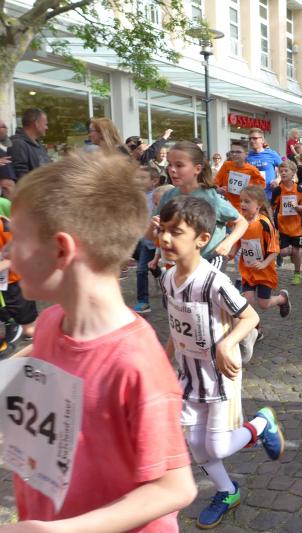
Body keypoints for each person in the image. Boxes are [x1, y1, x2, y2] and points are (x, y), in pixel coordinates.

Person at [8, 151, 197, 530]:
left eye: (16, 240)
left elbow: (175, 488)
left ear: (61, 249)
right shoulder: (51, 322)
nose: (8, 255)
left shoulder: (135, 363)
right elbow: (38, 358)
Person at [157, 195, 285, 529]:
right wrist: (163, 363)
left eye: (175, 232)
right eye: (163, 230)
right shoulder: (167, 279)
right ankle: (227, 491)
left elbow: (251, 317)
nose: (165, 238)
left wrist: (227, 343)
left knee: (218, 446)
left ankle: (261, 424)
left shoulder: (214, 281)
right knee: (195, 446)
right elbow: (175, 326)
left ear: (202, 239)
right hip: (188, 377)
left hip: (219, 377)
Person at [151, 141, 248, 271]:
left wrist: (228, 243)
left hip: (211, 258)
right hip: (183, 260)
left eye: (179, 165)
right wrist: (155, 228)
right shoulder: (168, 196)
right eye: (170, 164)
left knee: (205, 283)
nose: (172, 169)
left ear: (197, 169)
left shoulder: (210, 197)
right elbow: (151, 234)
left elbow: (242, 222)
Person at [230, 185, 291, 331]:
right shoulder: (240, 222)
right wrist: (231, 252)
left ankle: (282, 299)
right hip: (248, 270)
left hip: (264, 271)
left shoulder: (264, 223)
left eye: (247, 201)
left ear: (258, 205)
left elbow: (274, 249)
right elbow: (238, 241)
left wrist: (264, 263)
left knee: (263, 304)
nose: (243, 204)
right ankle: (256, 330)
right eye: (241, 201)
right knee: (248, 301)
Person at [0, 215, 38, 354]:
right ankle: (12, 324)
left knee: (28, 325)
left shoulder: (5, 226)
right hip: (4, 285)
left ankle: (36, 338)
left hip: (14, 282)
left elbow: (20, 254)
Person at [133, 166, 165, 314]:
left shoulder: (160, 195)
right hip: (146, 241)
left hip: (162, 241)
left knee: (156, 266)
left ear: (154, 181)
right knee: (141, 270)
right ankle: (143, 301)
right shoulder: (138, 197)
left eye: (142, 178)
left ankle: (165, 282)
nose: (138, 181)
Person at [272, 160, 302, 285]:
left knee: (297, 252)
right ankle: (292, 253)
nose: (283, 173)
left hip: (297, 227)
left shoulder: (299, 189)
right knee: (282, 252)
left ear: (293, 173)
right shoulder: (277, 190)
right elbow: (273, 207)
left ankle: (297, 274)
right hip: (282, 227)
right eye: (281, 171)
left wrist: (297, 207)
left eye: (286, 171)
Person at [214, 140, 266, 214]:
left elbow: (262, 186)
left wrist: (249, 188)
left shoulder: (252, 170)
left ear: (246, 154)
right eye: (232, 152)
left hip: (244, 209)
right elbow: (215, 182)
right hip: (227, 206)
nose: (234, 154)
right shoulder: (226, 165)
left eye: (238, 152)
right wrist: (218, 189)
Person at [8, 108, 50, 181]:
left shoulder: (38, 145)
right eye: (45, 124)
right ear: (36, 124)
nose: (47, 128)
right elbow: (21, 177)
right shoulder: (18, 144)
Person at [246, 128, 282, 200]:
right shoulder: (247, 157)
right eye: (250, 139)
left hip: (269, 196)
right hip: (253, 197)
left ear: (262, 140)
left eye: (255, 138)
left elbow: (286, 168)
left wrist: (278, 179)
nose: (251, 141)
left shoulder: (271, 154)